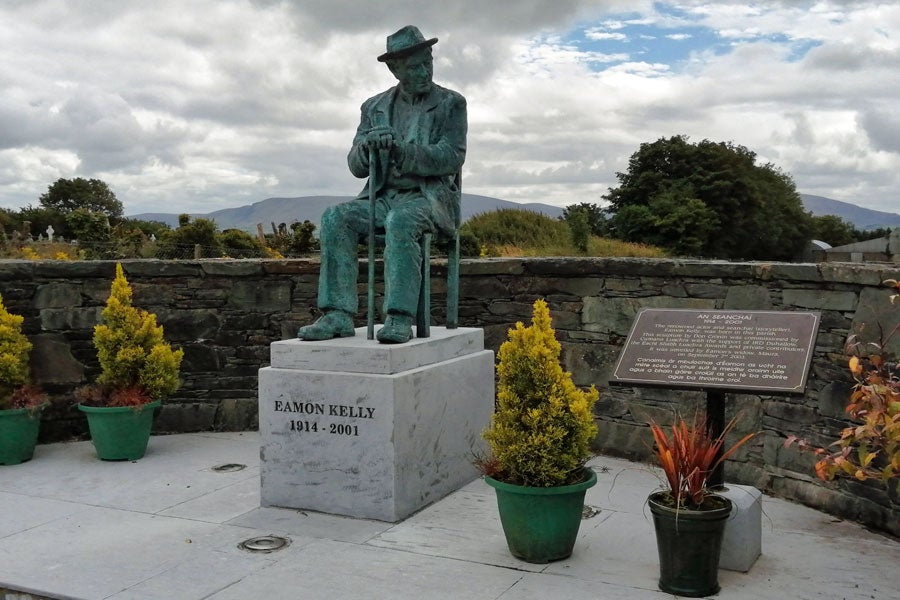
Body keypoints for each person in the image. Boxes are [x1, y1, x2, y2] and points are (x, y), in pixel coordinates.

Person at [298, 25, 467, 344]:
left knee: (400, 220)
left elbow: (451, 156)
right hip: (382, 197)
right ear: (395, 69)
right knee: (335, 217)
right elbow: (355, 166)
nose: (424, 71)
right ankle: (337, 314)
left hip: (428, 200)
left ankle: (399, 317)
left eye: (427, 62)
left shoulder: (451, 103)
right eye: (414, 67)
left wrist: (402, 150)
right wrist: (367, 148)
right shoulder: (373, 107)